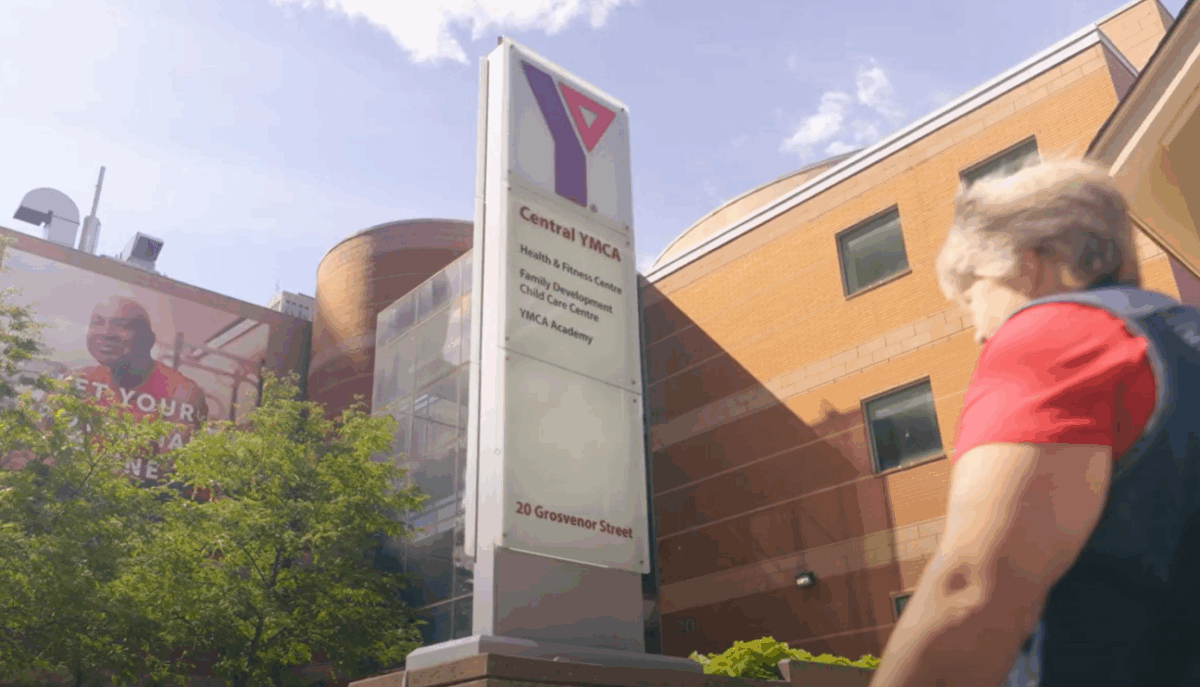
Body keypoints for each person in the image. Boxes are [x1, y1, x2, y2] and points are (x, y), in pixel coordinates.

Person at [869, 159, 1200, 686]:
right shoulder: (1179, 334)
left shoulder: (1057, 337)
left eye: (973, 297)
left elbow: (970, 591)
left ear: (1023, 263)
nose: (978, 333)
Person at [72, 296, 209, 449]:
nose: (106, 333)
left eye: (122, 326)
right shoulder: (80, 381)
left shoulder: (180, 394)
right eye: (98, 322)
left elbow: (168, 468)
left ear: (148, 340)